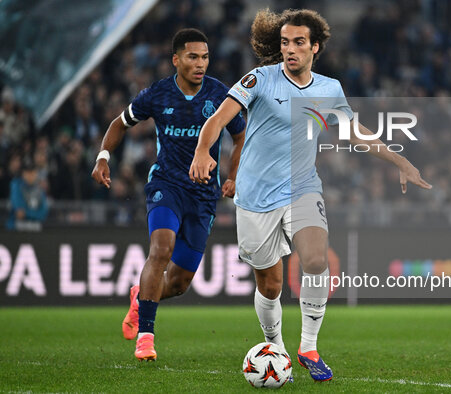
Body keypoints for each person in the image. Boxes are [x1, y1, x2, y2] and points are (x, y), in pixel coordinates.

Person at [189, 9, 431, 382]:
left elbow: (354, 132)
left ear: (315, 47)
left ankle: (308, 346)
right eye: (285, 43)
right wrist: (203, 151)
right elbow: (218, 119)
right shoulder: (260, 79)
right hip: (255, 196)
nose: (290, 49)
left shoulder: (328, 89)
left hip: (302, 187)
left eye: (299, 43)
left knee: (316, 260)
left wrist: (398, 160)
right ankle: (275, 345)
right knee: (269, 284)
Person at [91, 28, 245, 361]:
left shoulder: (221, 95)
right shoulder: (157, 95)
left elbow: (240, 135)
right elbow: (119, 123)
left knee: (177, 283)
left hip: (203, 195)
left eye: (205, 57)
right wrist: (103, 156)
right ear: (176, 60)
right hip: (166, 185)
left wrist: (232, 176)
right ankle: (146, 337)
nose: (200, 63)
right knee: (161, 248)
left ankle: (139, 297)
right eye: (192, 57)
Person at [5, 159, 48, 231]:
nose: (30, 175)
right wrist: (35, 214)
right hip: (15, 228)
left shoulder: (40, 188)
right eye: (27, 172)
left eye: (32, 172)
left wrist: (28, 213)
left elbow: (43, 213)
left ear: (36, 173)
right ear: (23, 173)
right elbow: (19, 210)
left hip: (36, 228)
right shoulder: (16, 185)